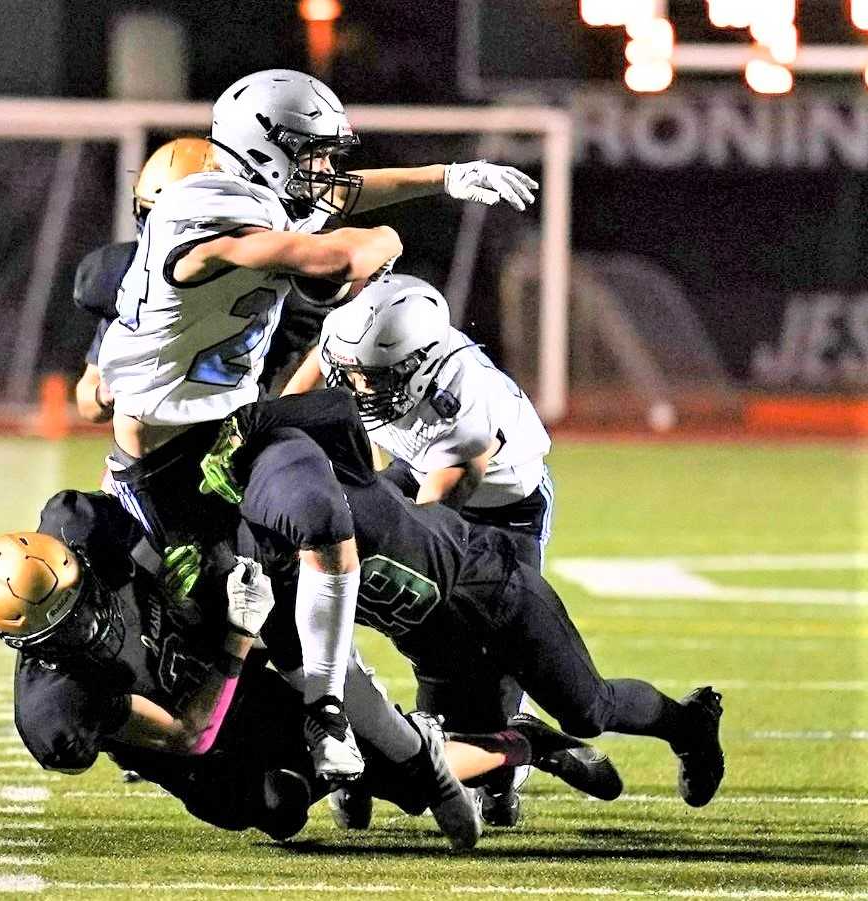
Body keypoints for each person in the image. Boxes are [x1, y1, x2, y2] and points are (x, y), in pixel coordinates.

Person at [96, 67, 539, 784]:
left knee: (324, 500)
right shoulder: (205, 215)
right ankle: (176, 737)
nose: (327, 170)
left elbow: (345, 194)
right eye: (313, 152)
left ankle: (330, 708)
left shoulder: (260, 192)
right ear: (265, 148)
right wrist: (387, 241)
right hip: (165, 460)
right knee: (218, 606)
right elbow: (341, 251)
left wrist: (448, 176)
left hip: (230, 428)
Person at [0, 488, 615, 848]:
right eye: (66, 619)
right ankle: (373, 760)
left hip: (237, 663)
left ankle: (526, 744)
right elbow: (185, 733)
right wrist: (237, 635)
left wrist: (208, 583)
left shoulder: (81, 529)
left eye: (81, 596)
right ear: (24, 640)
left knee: (411, 784)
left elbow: (168, 528)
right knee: (279, 809)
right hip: (202, 751)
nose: (88, 617)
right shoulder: (56, 708)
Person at [198, 389, 726, 813]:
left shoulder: (337, 487)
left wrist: (253, 416)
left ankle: (688, 723)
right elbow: (316, 667)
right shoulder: (278, 561)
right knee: (424, 774)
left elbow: (337, 407)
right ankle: (523, 742)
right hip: (433, 642)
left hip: (500, 600)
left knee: (588, 710)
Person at [283, 274, 553, 825]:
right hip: (417, 469)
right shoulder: (355, 334)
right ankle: (364, 728)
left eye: (374, 378)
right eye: (353, 373)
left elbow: (427, 532)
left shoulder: (465, 408)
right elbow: (319, 366)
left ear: (424, 366)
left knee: (491, 645)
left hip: (502, 510)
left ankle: (507, 760)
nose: (358, 388)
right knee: (320, 570)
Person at [73, 137, 218, 423]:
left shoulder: (264, 277)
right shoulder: (135, 285)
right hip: (153, 448)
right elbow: (86, 397)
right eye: (156, 217)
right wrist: (107, 393)